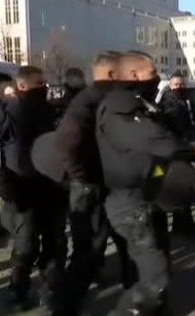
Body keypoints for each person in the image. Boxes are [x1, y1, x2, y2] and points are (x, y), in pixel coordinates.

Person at [95, 51, 195, 315]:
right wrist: (190, 151)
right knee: (154, 277)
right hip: (129, 202)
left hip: (150, 196)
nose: (157, 79)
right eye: (153, 74)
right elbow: (159, 144)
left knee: (158, 265)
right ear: (134, 75)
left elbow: (157, 159)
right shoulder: (120, 107)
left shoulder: (142, 105)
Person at [0, 66, 66, 312]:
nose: (44, 87)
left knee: (55, 243)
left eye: (45, 83)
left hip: (51, 187)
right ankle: (18, 290)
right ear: (22, 86)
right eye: (39, 83)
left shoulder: (51, 112)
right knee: (25, 244)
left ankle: (52, 292)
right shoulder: (3, 113)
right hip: (19, 189)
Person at [53, 51, 137, 314]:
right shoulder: (89, 101)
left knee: (127, 243)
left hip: (111, 184)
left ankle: (136, 297)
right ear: (112, 74)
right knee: (89, 250)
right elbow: (67, 141)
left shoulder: (106, 99)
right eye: (126, 73)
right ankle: (65, 306)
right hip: (92, 187)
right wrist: (82, 177)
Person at [157, 73, 195, 240]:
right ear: (170, 86)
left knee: (180, 186)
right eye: (176, 84)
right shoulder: (170, 104)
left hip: (179, 150)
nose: (180, 87)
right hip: (176, 152)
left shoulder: (182, 102)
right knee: (180, 185)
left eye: (182, 84)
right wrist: (192, 144)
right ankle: (183, 226)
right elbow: (179, 129)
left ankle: (182, 224)